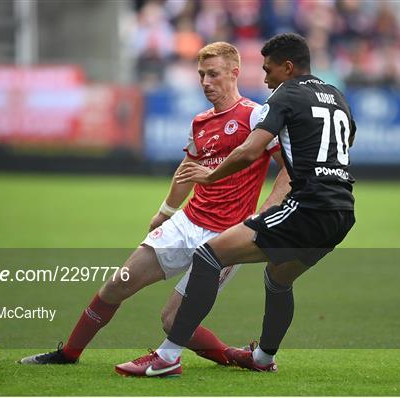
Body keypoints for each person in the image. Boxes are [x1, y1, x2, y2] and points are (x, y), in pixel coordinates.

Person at [19, 42, 290, 369]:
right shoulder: (200, 122)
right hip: (187, 222)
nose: (205, 81)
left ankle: (235, 358)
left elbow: (288, 169)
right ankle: (68, 354)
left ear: (234, 73)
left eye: (213, 74)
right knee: (116, 285)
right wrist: (165, 212)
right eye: (202, 74)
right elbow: (185, 172)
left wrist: (264, 214)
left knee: (172, 319)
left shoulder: (257, 116)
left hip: (225, 238)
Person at [116, 33, 356, 377]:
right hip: (342, 211)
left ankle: (167, 358)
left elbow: (249, 150)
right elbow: (345, 141)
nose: (265, 77)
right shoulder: (336, 95)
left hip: (308, 205)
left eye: (269, 69)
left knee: (208, 255)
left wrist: (209, 176)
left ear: (288, 68)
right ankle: (262, 358)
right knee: (278, 279)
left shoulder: (285, 94)